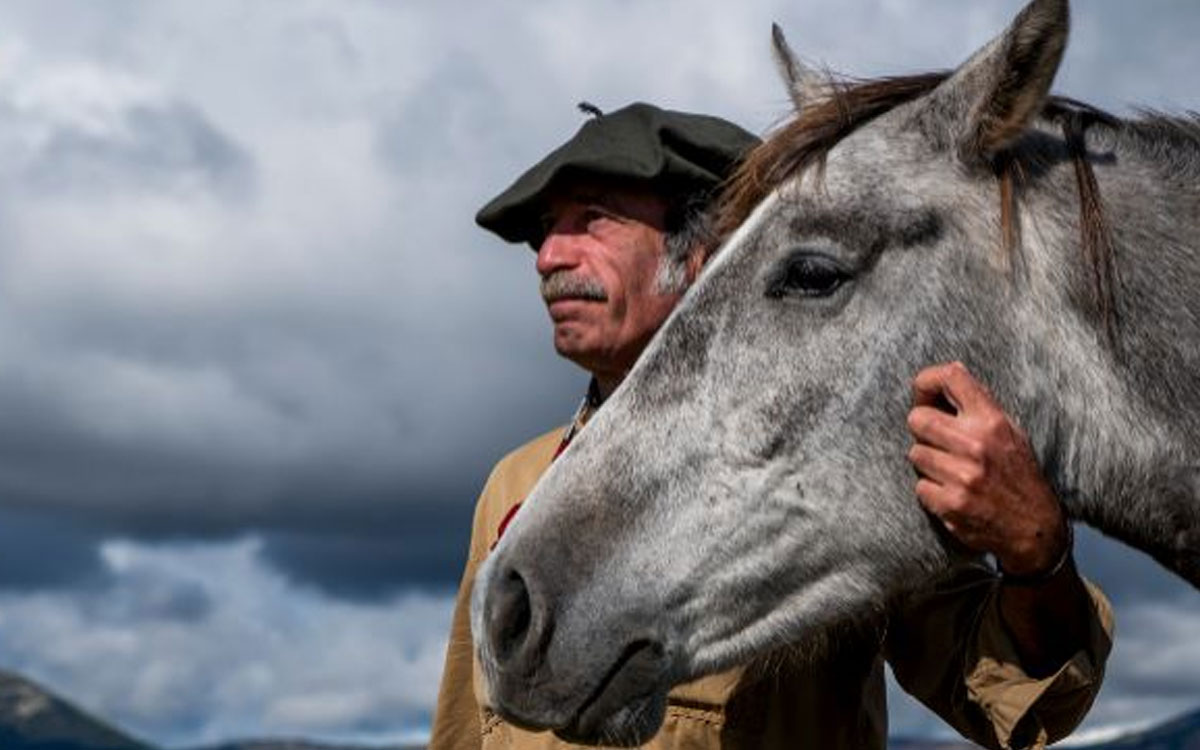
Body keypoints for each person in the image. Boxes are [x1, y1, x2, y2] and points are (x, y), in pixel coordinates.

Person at [430, 102, 1113, 750]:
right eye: (546, 229)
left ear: (703, 253)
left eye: (592, 219)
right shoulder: (515, 485)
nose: (549, 256)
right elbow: (464, 730)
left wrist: (1037, 554)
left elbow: (1010, 698)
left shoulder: (834, 463)